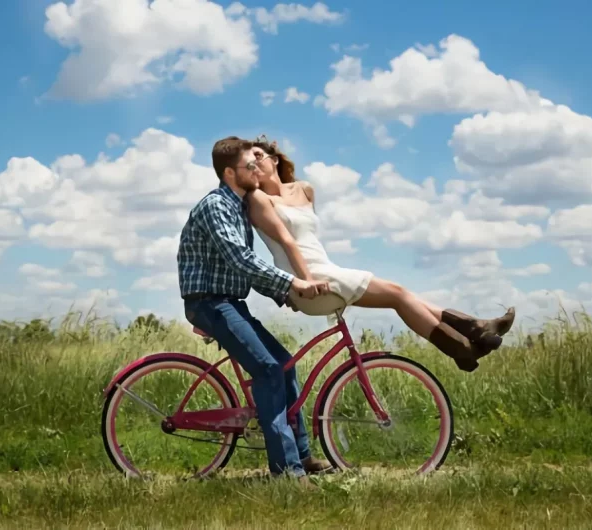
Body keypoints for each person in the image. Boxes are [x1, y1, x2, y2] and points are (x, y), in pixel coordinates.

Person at [244, 135, 516, 373]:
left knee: (401, 294)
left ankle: (472, 336)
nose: (254, 164)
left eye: (258, 156)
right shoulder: (259, 199)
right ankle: (467, 341)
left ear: (274, 159)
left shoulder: (305, 190)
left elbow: (308, 239)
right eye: (248, 162)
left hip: (325, 269)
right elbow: (288, 243)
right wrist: (302, 282)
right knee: (398, 294)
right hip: (308, 280)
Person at [176, 136, 333, 484]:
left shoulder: (238, 207)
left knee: (285, 366)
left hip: (230, 302)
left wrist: (286, 295)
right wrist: (293, 284)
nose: (257, 170)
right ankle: (287, 472)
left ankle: (302, 455)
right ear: (231, 173)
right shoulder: (216, 206)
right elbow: (241, 259)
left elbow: (244, 268)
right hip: (209, 302)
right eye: (251, 165)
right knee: (268, 371)